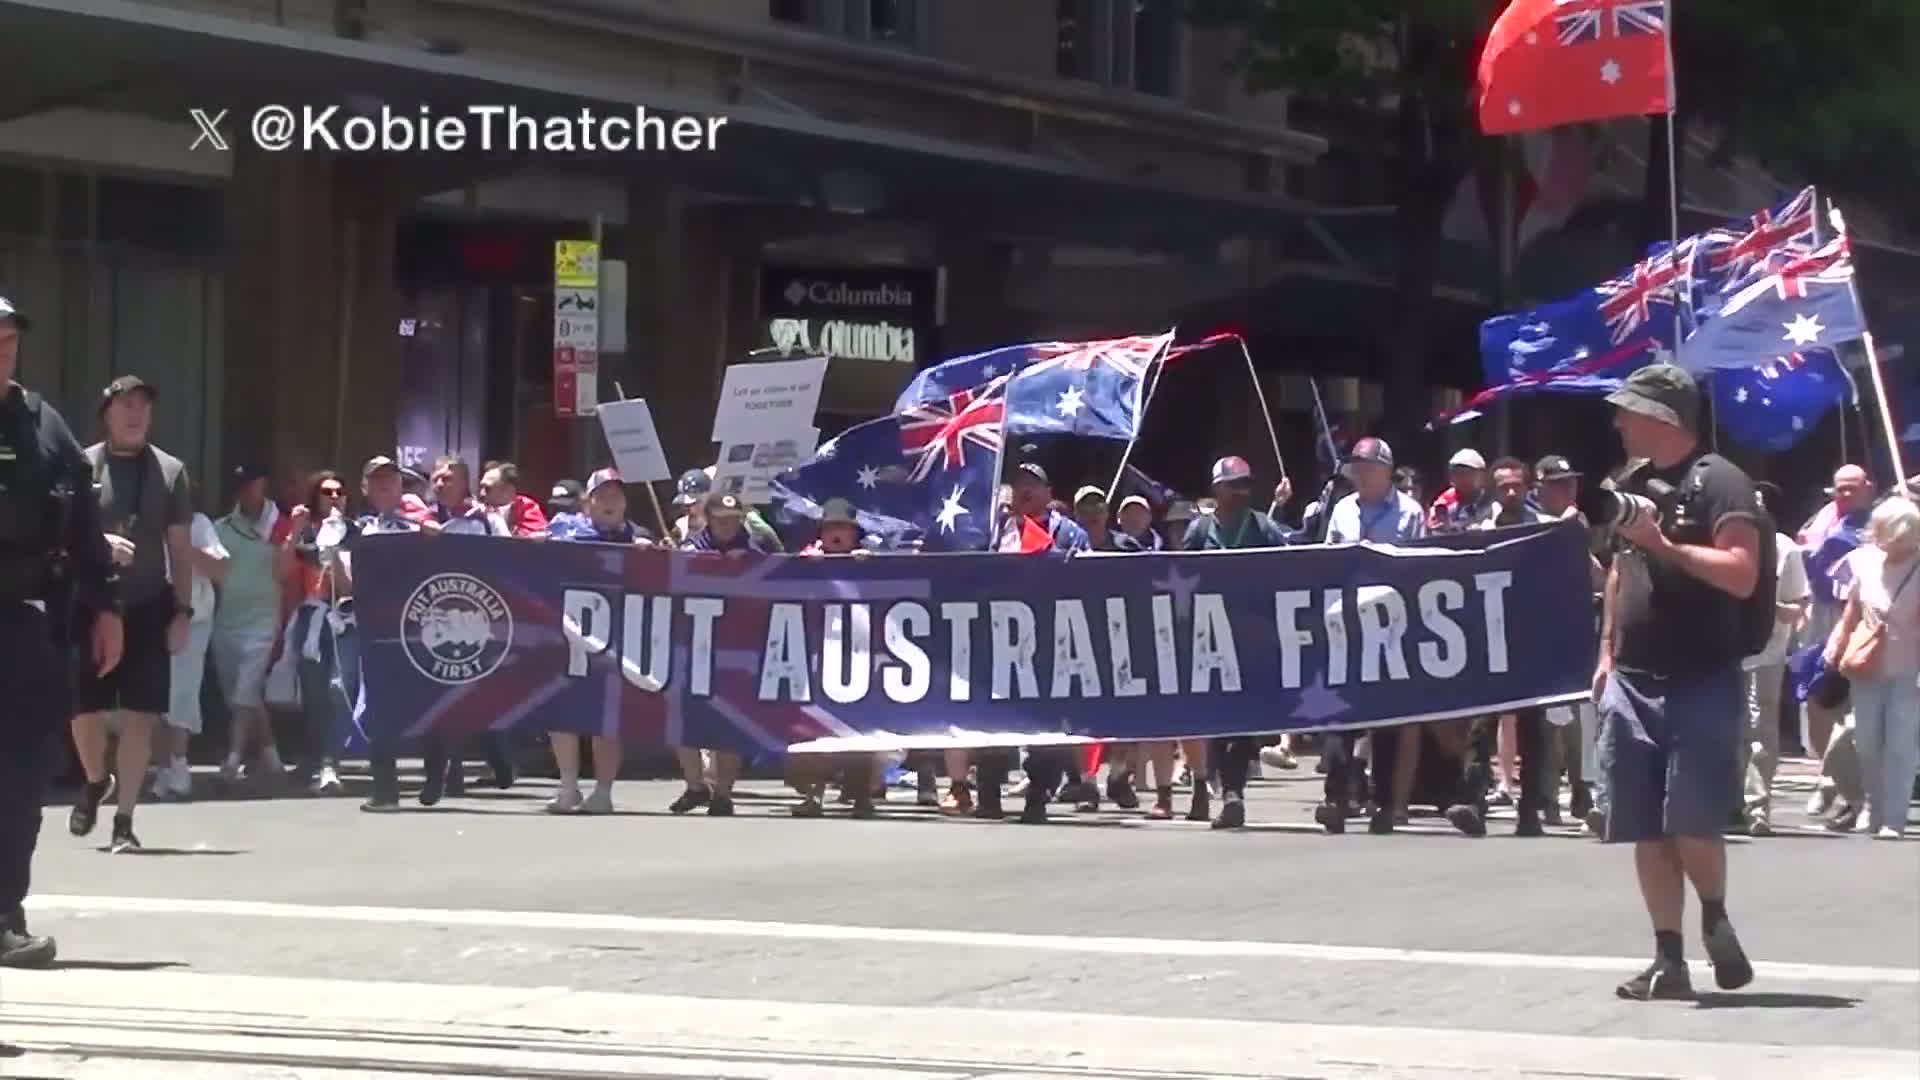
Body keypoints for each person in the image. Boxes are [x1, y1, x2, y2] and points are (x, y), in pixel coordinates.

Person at [1593, 365, 1763, 1001]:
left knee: (1690, 820)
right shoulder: (1628, 484)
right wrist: (1606, 651)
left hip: (1701, 675)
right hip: (1634, 678)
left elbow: (1742, 574)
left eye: (1627, 411)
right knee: (1644, 824)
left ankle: (1713, 913)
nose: (1617, 421)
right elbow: (1618, 572)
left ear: (1662, 417)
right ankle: (1669, 957)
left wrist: (1663, 543)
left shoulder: (1723, 484)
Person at [0, 294, 123, 968]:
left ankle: (2, 913)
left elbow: (82, 521)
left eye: (9, 339)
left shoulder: (45, 425)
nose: (3, 349)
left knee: (21, 776)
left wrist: (106, 606)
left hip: (24, 621)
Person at [71, 375, 196, 854]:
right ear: (107, 413)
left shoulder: (170, 471)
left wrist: (183, 610)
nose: (135, 413)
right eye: (125, 405)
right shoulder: (81, 466)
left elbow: (180, 549)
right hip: (91, 603)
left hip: (148, 604)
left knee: (142, 715)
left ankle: (124, 818)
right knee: (82, 708)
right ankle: (94, 779)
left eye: (143, 405)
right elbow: (59, 532)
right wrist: (99, 545)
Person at [1445, 457, 1557, 838]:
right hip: (1489, 641)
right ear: (1493, 490)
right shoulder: (1481, 531)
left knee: (1531, 728)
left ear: (1528, 489)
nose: (1511, 492)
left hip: (1531, 639)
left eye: (1517, 486)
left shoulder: (1545, 530)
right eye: (1503, 486)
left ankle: (1531, 810)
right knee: (1481, 726)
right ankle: (1473, 802)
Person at [1319, 437, 1426, 833]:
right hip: (1345, 625)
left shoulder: (1411, 513)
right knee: (1338, 714)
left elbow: (1419, 566)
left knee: (1386, 718)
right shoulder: (1342, 511)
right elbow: (1326, 558)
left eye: (1368, 465)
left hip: (1391, 626)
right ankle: (1336, 796)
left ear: (1386, 469)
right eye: (1356, 466)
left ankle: (1383, 803)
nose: (1360, 472)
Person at [1181, 456, 1291, 829]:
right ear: (1217, 489)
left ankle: (1233, 793)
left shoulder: (1264, 528)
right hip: (1210, 638)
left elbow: (1291, 569)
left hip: (1252, 638)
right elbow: (1181, 579)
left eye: (1245, 483)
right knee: (1216, 715)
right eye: (1233, 485)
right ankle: (1216, 781)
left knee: (1240, 717)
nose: (1241, 491)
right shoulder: (1199, 532)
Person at [546, 468, 653, 813]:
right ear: (587, 502)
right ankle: (568, 788)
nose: (610, 502)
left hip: (615, 639)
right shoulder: (565, 527)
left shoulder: (638, 538)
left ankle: (603, 792)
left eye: (616, 496)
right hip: (567, 634)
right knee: (561, 713)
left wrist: (653, 553)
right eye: (602, 496)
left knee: (608, 715)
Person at [1820, 496, 1920, 840]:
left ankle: (1893, 817)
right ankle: (1872, 807)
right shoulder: (1865, 563)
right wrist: (1836, 643)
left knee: (1900, 744)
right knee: (1865, 742)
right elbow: (1852, 609)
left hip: (1910, 671)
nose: (1873, 533)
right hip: (1866, 666)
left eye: (1881, 529)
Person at [672, 491, 771, 816]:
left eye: (733, 521)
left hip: (737, 648)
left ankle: (723, 793)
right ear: (709, 519)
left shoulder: (755, 548)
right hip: (693, 644)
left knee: (730, 721)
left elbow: (781, 575)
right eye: (721, 521)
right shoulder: (693, 547)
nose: (728, 527)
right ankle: (695, 786)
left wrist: (747, 565)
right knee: (684, 719)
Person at [789, 498, 883, 817]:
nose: (837, 534)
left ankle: (861, 797)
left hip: (858, 657)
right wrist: (805, 567)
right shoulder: (807, 559)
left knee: (858, 729)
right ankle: (812, 795)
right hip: (815, 657)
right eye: (831, 528)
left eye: (843, 528)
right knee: (812, 730)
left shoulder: (870, 561)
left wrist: (873, 567)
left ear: (855, 533)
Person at [1738, 482, 1809, 836]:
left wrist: (1773, 607)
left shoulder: (1786, 549)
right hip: (1724, 651)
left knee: (1760, 728)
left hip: (1767, 652)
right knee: (1727, 726)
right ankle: (1728, 801)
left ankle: (1756, 806)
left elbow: (1799, 606)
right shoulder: (1722, 541)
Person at [213, 463, 290, 789]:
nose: (248, 490)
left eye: (253, 483)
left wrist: (295, 533)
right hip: (226, 622)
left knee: (245, 690)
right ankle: (271, 753)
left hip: (263, 622)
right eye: (242, 484)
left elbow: (284, 573)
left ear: (264, 484)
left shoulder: (282, 526)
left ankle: (233, 759)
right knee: (242, 697)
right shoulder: (220, 527)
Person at [155, 506, 227, 800]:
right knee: (153, 697)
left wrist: (184, 547)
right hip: (149, 618)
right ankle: (163, 769)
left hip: (193, 621)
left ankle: (179, 765)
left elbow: (220, 570)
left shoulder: (198, 524)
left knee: (182, 692)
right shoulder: (140, 521)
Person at [1427, 448, 1492, 534]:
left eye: (1468, 473)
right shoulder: (1442, 505)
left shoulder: (1493, 501)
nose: (1463, 478)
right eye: (1457, 473)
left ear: (1482, 474)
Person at [479, 460, 548, 538]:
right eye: (481, 487)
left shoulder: (526, 507)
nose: (482, 493)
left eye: (487, 488)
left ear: (508, 490)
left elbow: (529, 542)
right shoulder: (477, 508)